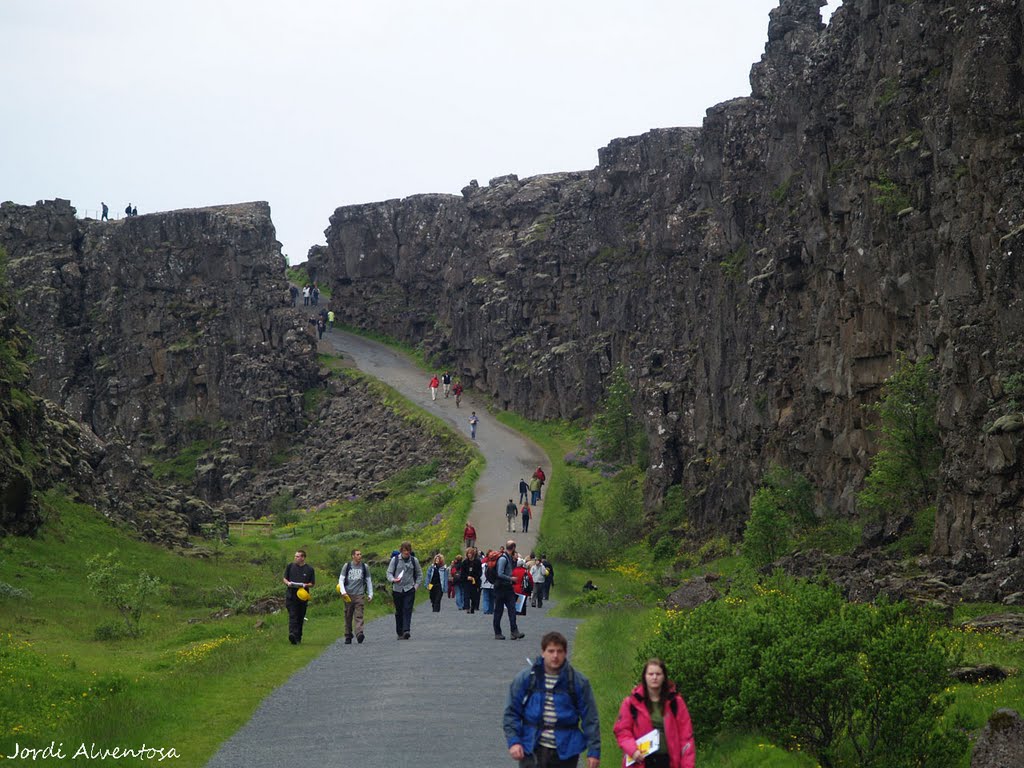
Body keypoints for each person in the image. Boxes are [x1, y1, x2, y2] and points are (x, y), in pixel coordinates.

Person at [504, 631, 601, 768]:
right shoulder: (526, 679)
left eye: (559, 651)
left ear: (565, 653)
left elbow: (590, 718)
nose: (555, 656)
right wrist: (514, 741)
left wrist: (594, 751)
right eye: (551, 651)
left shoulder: (578, 682)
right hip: (532, 748)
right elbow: (511, 712)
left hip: (566, 751)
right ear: (543, 653)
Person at [613, 659, 695, 768]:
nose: (654, 677)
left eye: (658, 674)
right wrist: (633, 751)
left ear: (664, 677)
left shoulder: (676, 702)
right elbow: (622, 731)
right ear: (645, 677)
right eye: (651, 674)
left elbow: (686, 737)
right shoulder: (631, 703)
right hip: (641, 761)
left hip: (669, 761)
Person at [387, 541, 421, 639]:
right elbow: (389, 573)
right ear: (401, 550)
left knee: (407, 609)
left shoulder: (414, 560)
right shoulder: (395, 560)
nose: (407, 552)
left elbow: (419, 574)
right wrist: (393, 579)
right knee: (399, 611)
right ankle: (399, 631)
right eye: (405, 550)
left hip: (409, 589)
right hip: (397, 589)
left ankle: (406, 630)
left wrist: (416, 586)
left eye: (408, 550)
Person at [338, 548, 373, 644]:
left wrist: (370, 594)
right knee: (348, 616)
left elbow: (368, 581)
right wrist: (343, 592)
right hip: (348, 595)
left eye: (360, 554)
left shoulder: (364, 567)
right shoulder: (347, 566)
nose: (359, 556)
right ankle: (348, 635)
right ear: (353, 556)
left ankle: (359, 633)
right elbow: (341, 580)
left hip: (359, 594)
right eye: (357, 554)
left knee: (359, 615)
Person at [282, 549, 315, 645]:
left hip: (302, 596)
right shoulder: (290, 566)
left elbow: (312, 583)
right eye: (295, 556)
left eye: (297, 556)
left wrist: (305, 585)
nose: (295, 558)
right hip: (291, 595)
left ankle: (298, 636)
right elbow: (284, 578)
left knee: (300, 617)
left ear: (303, 558)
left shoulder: (309, 569)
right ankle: (292, 634)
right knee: (293, 615)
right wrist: (288, 583)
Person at [493, 540, 525, 640]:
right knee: (499, 611)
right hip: (500, 588)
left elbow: (510, 570)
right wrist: (511, 579)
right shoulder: (503, 559)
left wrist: (515, 561)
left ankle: (514, 631)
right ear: (514, 548)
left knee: (512, 609)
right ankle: (497, 633)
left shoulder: (510, 558)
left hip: (508, 588)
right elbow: (500, 573)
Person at [462, 547, 482, 613]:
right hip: (467, 581)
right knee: (466, 595)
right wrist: (467, 577)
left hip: (475, 581)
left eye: (470, 553)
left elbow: (480, 572)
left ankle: (473, 607)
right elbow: (462, 572)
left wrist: (474, 578)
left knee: (474, 596)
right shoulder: (465, 562)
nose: (469, 555)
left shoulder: (478, 562)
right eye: (468, 554)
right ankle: (467, 607)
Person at [481, 550, 496, 614]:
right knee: (492, 598)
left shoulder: (483, 565)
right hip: (493, 583)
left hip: (485, 583)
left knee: (486, 597)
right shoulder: (495, 565)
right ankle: (491, 609)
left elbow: (481, 574)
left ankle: (486, 610)